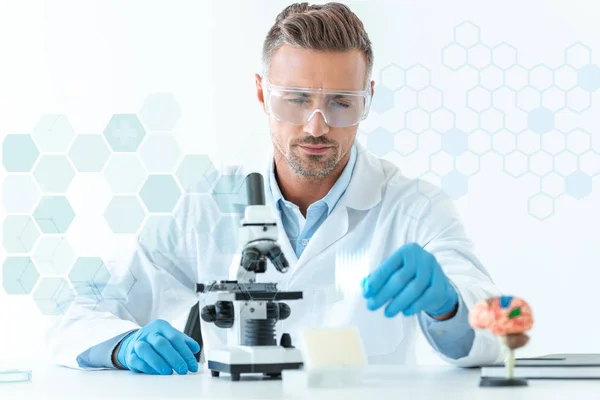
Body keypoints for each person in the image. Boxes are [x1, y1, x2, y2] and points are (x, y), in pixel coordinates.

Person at [48, 2, 504, 375]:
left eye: (342, 103)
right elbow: (79, 309)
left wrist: (450, 309)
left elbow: (495, 330)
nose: (317, 125)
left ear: (369, 99)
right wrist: (122, 345)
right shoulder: (206, 205)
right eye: (297, 99)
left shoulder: (416, 208)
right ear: (263, 94)